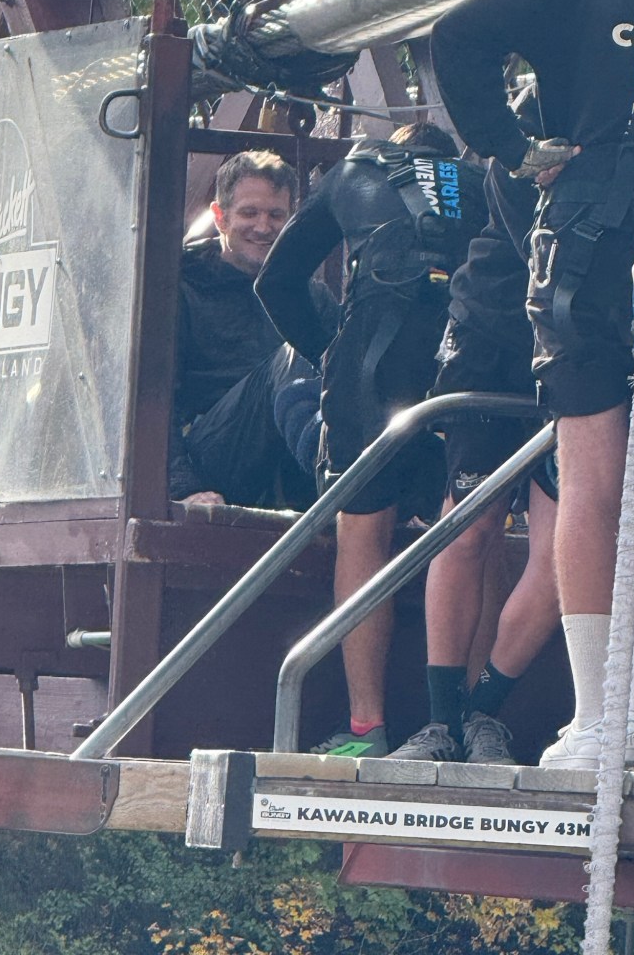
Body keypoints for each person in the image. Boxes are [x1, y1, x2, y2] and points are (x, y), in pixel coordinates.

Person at [428, 0, 634, 769]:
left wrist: (512, 149)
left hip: (586, 258)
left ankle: (602, 719)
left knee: (598, 484)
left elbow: (457, 34)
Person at [256, 123, 487, 757]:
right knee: (473, 529)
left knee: (363, 533)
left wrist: (326, 353)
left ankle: (368, 727)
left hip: (375, 359)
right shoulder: (480, 181)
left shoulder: (354, 172)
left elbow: (276, 281)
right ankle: (471, 719)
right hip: (468, 355)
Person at [389, 95, 562, 764]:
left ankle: (482, 711)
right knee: (468, 528)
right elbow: (526, 222)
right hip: (492, 337)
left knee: (561, 553)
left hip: (581, 349)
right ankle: (439, 725)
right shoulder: (530, 106)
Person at [170, 150, 335, 512]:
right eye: (249, 213)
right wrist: (185, 487)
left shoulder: (313, 297)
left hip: (286, 460)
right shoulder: (182, 289)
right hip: (213, 455)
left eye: (275, 215)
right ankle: (341, 483)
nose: (263, 227)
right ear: (220, 217)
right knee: (294, 355)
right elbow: (157, 403)